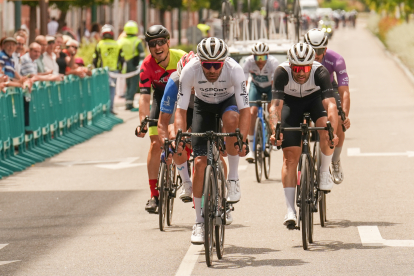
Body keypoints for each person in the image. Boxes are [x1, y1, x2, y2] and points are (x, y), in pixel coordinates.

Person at [175, 37, 250, 244]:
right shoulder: (191, 69)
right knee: (199, 163)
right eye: (206, 65)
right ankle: (199, 222)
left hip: (228, 103)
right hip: (203, 106)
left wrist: (241, 139)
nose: (211, 69)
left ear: (223, 62)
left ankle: (233, 179)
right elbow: (180, 110)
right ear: (200, 62)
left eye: (216, 65)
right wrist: (180, 136)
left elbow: (245, 110)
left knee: (231, 121)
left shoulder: (234, 69)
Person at [269, 43, 339, 229]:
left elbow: (330, 105)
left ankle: (324, 172)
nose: (301, 73)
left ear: (311, 65)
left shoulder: (320, 72)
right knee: (290, 157)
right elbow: (275, 106)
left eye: (305, 68)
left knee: (325, 129)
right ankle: (290, 210)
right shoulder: (281, 72)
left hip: (315, 101)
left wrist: (332, 129)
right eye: (297, 69)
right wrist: (275, 129)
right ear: (290, 65)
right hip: (291, 104)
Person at [135, 25, 186, 213]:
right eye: (153, 44)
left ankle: (187, 176)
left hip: (181, 98)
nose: (158, 47)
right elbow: (145, 98)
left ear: (168, 42)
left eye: (161, 42)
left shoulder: (181, 57)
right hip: (160, 98)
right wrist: (143, 122)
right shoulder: (147, 65)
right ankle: (153, 195)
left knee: (182, 137)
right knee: (155, 144)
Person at [304, 29, 351, 184]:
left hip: (328, 88)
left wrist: (344, 114)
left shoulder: (336, 59)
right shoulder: (298, 56)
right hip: (304, 90)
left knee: (338, 120)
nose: (316, 54)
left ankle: (335, 161)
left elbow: (344, 92)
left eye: (320, 50)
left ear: (325, 49)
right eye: (312, 50)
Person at [158, 52, 196, 203]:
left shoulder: (206, 79)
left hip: (199, 109)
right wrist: (167, 143)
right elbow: (163, 121)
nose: (190, 85)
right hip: (180, 109)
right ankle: (186, 182)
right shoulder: (174, 81)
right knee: (175, 138)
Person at [242, 41, 279, 162]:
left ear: (268, 55)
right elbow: (244, 82)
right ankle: (251, 150)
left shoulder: (273, 63)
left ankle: (273, 137)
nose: (260, 60)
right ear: (253, 56)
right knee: (252, 112)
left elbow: (275, 84)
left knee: (272, 110)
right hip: (256, 87)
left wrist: (273, 102)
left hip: (270, 87)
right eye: (257, 57)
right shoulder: (248, 62)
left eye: (263, 57)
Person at [92, 24, 124, 114]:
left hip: (103, 71)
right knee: (112, 90)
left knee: (102, 90)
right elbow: (122, 59)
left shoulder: (100, 44)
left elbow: (95, 59)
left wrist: (96, 69)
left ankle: (103, 109)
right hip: (114, 71)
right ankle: (110, 109)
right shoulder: (117, 44)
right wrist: (120, 70)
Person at [117, 20, 145, 111]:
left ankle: (127, 102)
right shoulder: (137, 41)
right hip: (134, 65)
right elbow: (141, 54)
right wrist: (141, 64)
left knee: (128, 84)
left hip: (124, 66)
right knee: (133, 84)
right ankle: (130, 103)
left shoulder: (120, 41)